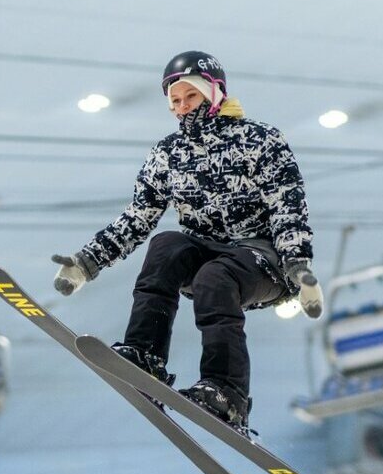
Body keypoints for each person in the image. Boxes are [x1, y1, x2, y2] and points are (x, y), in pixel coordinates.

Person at [50, 50, 321, 436]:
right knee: (165, 245)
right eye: (174, 101)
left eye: (189, 97)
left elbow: (287, 205)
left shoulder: (260, 140)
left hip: (262, 259)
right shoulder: (168, 154)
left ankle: (227, 392)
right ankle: (145, 355)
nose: (181, 108)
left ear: (214, 93)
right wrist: (86, 262)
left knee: (215, 277)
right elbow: (138, 216)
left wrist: (299, 266)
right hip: (206, 249)